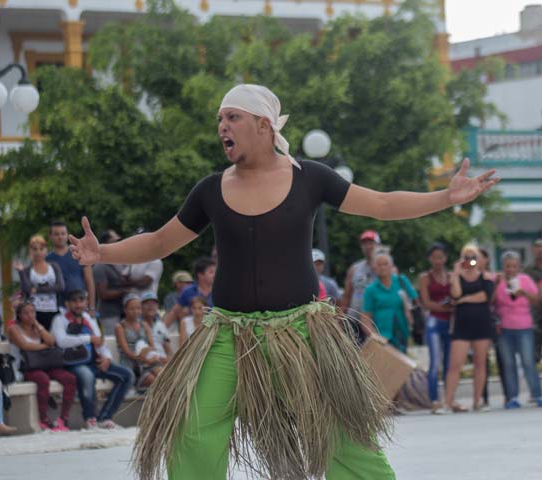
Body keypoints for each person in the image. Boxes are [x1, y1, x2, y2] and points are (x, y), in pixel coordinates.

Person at [68, 83, 499, 480]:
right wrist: (101, 253)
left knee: (343, 435)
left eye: (232, 117)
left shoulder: (309, 177)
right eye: (219, 119)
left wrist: (445, 197)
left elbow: (383, 204)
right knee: (193, 428)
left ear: (264, 125)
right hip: (227, 339)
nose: (221, 126)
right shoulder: (210, 190)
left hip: (304, 334)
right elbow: (162, 241)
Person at [52, 289, 134, 429]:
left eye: (81, 300)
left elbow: (100, 341)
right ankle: (90, 418)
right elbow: (61, 341)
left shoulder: (89, 319)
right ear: (67, 303)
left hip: (94, 361)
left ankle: (105, 417)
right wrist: (88, 338)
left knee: (126, 376)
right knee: (87, 376)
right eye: (74, 301)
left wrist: (107, 358)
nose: (78, 305)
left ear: (85, 302)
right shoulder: (60, 319)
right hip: (74, 363)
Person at [443, 243, 496, 413]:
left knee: (480, 363)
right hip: (462, 325)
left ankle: (477, 401)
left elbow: (484, 296)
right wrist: (457, 274)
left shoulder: (486, 276)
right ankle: (448, 402)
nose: (470, 261)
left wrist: (465, 300)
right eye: (467, 257)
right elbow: (456, 294)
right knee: (455, 365)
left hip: (481, 323)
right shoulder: (456, 276)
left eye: (473, 257)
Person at [8, 302, 76, 431]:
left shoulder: (37, 327)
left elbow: (51, 341)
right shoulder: (14, 328)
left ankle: (64, 418)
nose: (30, 315)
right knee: (42, 379)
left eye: (32, 312)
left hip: (44, 364)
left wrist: (39, 327)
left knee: (69, 378)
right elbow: (25, 346)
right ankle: (44, 418)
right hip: (26, 367)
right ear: (19, 315)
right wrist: (44, 346)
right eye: (26, 313)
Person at [494, 250, 542, 408]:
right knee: (509, 364)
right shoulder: (499, 281)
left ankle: (537, 395)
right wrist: (496, 285)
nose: (510, 269)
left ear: (519, 267)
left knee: (528, 361)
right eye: (507, 266)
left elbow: (537, 300)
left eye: (514, 266)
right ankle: (512, 397)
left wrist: (524, 294)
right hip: (505, 327)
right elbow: (491, 302)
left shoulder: (525, 280)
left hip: (524, 327)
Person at [418, 242, 454, 413]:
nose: (438, 261)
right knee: (434, 363)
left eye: (440, 257)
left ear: (445, 258)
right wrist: (446, 307)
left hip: (451, 322)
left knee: (449, 363)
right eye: (434, 257)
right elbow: (426, 303)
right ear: (430, 259)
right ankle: (433, 399)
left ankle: (448, 399)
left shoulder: (452, 276)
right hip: (434, 320)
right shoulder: (425, 277)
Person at [362, 250, 417, 352]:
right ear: (374, 268)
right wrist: (374, 336)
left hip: (402, 332)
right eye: (379, 264)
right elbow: (365, 318)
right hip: (383, 335)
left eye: (385, 264)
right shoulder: (370, 290)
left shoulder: (401, 281)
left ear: (391, 266)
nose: (382, 267)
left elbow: (415, 300)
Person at [15, 235, 65, 330]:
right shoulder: (28, 269)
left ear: (46, 250)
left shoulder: (54, 267)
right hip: (34, 312)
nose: (38, 252)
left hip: (53, 309)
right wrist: (21, 272)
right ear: (30, 251)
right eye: (35, 249)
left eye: (41, 249)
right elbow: (27, 289)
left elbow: (60, 286)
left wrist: (37, 289)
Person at [115, 294, 165, 390]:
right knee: (153, 379)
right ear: (125, 310)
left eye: (138, 308)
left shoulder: (144, 325)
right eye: (132, 309)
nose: (135, 311)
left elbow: (152, 346)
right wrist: (141, 358)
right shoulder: (120, 327)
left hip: (146, 360)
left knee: (162, 374)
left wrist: (149, 357)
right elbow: (126, 351)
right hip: (131, 363)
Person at [47, 220, 96, 314]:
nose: (60, 237)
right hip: (59, 308)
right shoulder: (47, 260)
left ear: (67, 235)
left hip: (81, 305)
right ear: (50, 236)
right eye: (56, 234)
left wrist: (92, 307)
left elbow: (89, 281)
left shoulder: (79, 253)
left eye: (63, 233)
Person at [93, 230, 131, 335]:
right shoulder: (100, 266)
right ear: (106, 244)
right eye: (115, 240)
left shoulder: (119, 263)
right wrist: (124, 292)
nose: (119, 242)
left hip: (122, 312)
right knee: (112, 343)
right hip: (109, 314)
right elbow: (103, 294)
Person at [162, 257, 215, 331]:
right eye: (211, 272)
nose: (215, 275)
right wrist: (162, 330)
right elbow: (174, 312)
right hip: (194, 332)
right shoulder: (188, 291)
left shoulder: (219, 291)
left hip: (215, 331)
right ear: (200, 275)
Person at [342, 230, 381, 319]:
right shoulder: (354, 268)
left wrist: (375, 261)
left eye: (371, 243)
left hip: (377, 319)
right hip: (355, 319)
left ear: (378, 245)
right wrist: (341, 318)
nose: (367, 247)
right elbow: (347, 295)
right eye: (364, 244)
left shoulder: (386, 266)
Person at [142, 291, 173, 360]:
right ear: (141, 306)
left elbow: (168, 349)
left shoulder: (161, 325)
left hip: (164, 361)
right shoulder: (137, 325)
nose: (150, 306)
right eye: (147, 303)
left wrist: (170, 361)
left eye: (153, 303)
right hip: (147, 363)